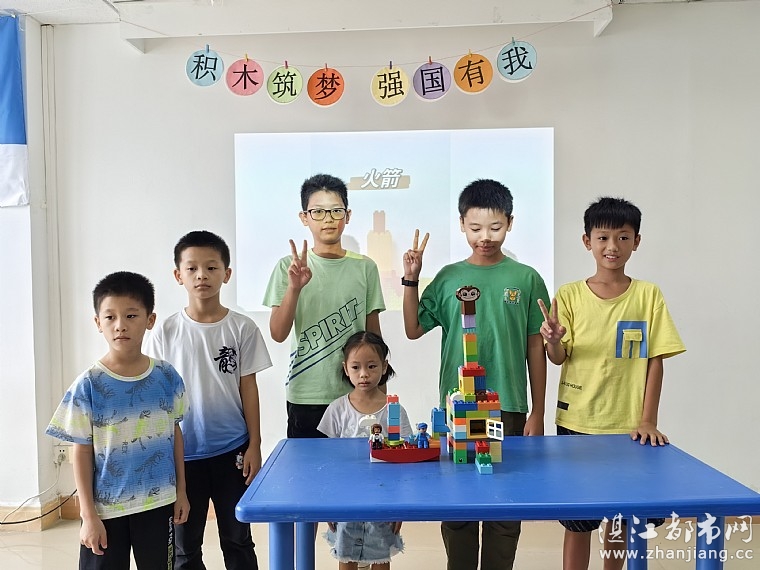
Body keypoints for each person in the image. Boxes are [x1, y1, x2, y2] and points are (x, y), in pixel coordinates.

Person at [402, 179, 550, 570]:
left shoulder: (526, 278)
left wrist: (537, 411)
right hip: (458, 407)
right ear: (462, 225)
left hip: (509, 405)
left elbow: (536, 348)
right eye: (475, 227)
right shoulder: (448, 277)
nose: (485, 236)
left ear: (510, 224)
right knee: (458, 504)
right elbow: (413, 328)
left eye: (495, 227)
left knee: (505, 506)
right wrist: (411, 279)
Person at [538, 197, 686, 570]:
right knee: (579, 519)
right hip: (577, 422)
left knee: (622, 516)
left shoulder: (648, 295)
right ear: (587, 241)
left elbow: (656, 361)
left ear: (636, 241)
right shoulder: (569, 294)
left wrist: (648, 420)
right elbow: (558, 357)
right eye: (603, 237)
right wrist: (552, 339)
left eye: (622, 237)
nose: (612, 246)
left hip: (629, 426)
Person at [145, 230, 272, 570]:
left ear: (226, 274)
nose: (202, 275)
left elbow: (248, 388)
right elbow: (158, 397)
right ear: (179, 275)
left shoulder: (242, 328)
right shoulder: (165, 331)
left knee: (238, 538)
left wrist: (255, 445)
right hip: (183, 455)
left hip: (233, 450)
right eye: (192, 268)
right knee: (185, 546)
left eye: (211, 267)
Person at [46, 271, 189, 569]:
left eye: (131, 315)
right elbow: (81, 451)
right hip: (106, 510)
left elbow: (174, 433)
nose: (120, 325)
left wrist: (182, 492)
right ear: (98, 323)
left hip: (158, 503)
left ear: (150, 320)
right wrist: (88, 515)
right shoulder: (88, 385)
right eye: (110, 317)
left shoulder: (167, 377)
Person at [264, 173, 386, 439]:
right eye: (318, 211)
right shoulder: (288, 267)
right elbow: (277, 333)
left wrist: (380, 392)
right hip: (306, 393)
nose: (328, 219)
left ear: (347, 215)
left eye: (336, 211)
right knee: (308, 465)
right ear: (304, 217)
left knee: (360, 464)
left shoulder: (365, 268)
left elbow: (374, 337)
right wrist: (294, 288)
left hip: (356, 392)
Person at [317, 331, 411, 570]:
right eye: (356, 367)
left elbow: (405, 463)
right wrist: (328, 504)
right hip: (345, 498)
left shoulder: (394, 410)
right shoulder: (337, 409)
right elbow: (327, 464)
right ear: (345, 368)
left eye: (371, 366)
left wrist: (399, 507)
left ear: (384, 366)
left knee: (380, 558)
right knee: (346, 558)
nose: (364, 374)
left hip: (383, 498)